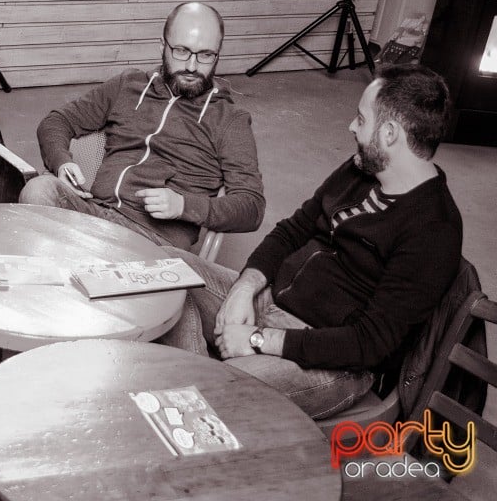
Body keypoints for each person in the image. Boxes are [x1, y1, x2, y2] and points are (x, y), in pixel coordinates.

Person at [162, 63, 463, 420]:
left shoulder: (434, 230)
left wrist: (258, 339)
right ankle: (194, 374)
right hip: (269, 301)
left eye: (361, 119)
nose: (351, 127)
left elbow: (368, 343)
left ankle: (195, 387)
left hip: (333, 361)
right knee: (165, 270)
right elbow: (292, 230)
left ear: (389, 134)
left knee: (216, 389)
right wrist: (245, 289)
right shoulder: (361, 170)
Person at [19, 2, 265, 249]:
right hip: (96, 216)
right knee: (39, 190)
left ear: (218, 55)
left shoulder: (230, 120)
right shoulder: (128, 85)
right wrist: (62, 162)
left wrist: (184, 206)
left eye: (206, 55)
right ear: (162, 46)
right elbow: (57, 121)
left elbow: (252, 206)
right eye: (181, 51)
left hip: (153, 243)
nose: (192, 66)